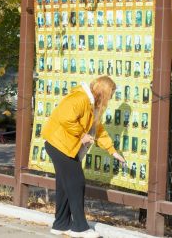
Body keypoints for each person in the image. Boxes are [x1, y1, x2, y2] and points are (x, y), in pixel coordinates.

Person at [42, 76, 125, 238]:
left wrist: (113, 152)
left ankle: (60, 224)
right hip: (58, 144)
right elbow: (64, 118)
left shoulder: (91, 104)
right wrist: (81, 135)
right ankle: (79, 227)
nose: (111, 98)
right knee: (76, 182)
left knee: (66, 185)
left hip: (66, 146)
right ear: (104, 92)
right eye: (111, 94)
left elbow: (98, 130)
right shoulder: (80, 98)